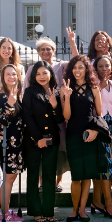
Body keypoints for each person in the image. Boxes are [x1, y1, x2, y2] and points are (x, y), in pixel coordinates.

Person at [60, 54, 104, 222]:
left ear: (87, 69)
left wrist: (94, 132)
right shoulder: (66, 88)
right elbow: (67, 116)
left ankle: (83, 210)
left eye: (80, 67)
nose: (77, 70)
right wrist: (67, 97)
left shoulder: (94, 88)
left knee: (87, 175)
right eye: (75, 67)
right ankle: (74, 210)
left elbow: (99, 114)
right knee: (76, 175)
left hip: (89, 134)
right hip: (73, 134)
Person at [21, 61, 64, 222]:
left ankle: (49, 211)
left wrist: (54, 105)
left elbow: (59, 119)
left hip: (52, 139)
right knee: (33, 175)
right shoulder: (29, 92)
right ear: (33, 76)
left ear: (50, 74)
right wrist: (38, 138)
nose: (41, 77)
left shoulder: (57, 92)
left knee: (49, 175)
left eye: (44, 73)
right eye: (38, 74)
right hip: (33, 140)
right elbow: (27, 116)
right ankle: (35, 211)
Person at [29, 37, 68, 194]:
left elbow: (78, 61)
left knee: (59, 150)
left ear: (54, 50)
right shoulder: (33, 69)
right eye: (42, 49)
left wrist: (72, 43)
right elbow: (27, 90)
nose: (46, 51)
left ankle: (56, 182)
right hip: (39, 116)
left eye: (49, 49)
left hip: (57, 114)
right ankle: (42, 182)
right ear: (38, 52)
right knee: (42, 150)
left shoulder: (61, 66)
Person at [91, 55, 112, 217]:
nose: (104, 69)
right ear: (95, 69)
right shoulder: (93, 86)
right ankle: (108, 204)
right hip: (99, 128)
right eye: (100, 66)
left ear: (111, 68)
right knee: (104, 165)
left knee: (110, 165)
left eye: (107, 66)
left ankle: (97, 200)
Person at [0, 64, 25, 222]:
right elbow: (2, 121)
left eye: (14, 74)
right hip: (8, 144)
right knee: (8, 178)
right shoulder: (2, 97)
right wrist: (10, 105)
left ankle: (6, 211)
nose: (11, 77)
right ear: (3, 77)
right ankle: (4, 214)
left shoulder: (16, 94)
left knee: (10, 179)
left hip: (17, 143)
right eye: (8, 74)